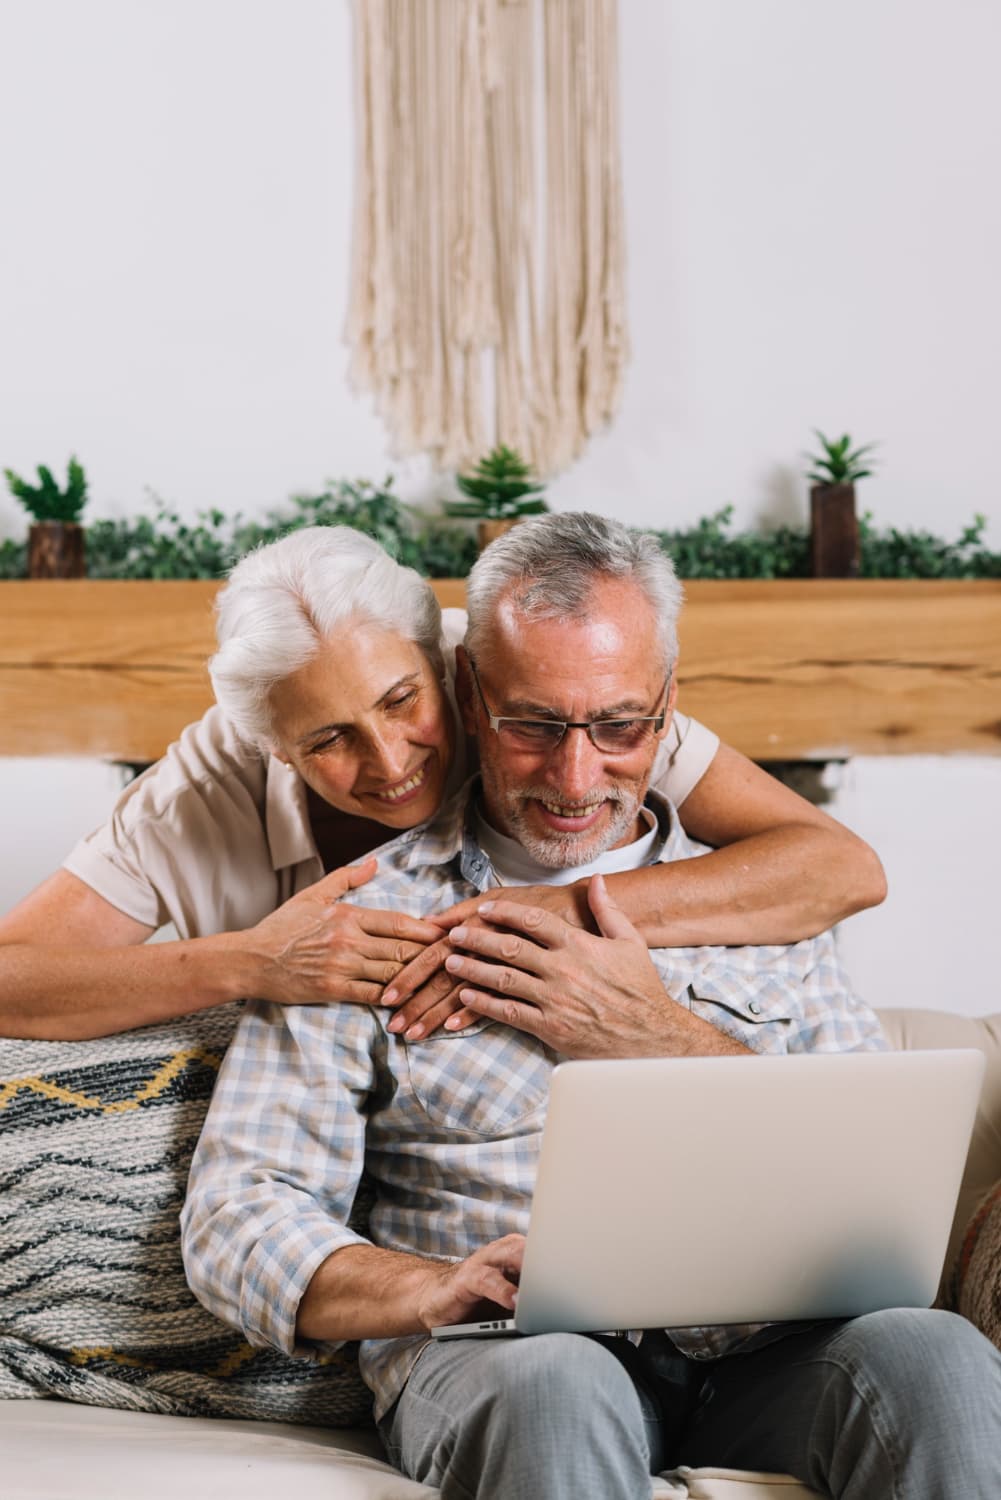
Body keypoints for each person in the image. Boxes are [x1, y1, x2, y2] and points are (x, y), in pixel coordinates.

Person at [181, 513, 1001, 1499]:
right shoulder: (369, 923)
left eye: (619, 726)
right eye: (532, 725)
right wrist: (425, 1288)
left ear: (668, 705)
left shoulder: (771, 899)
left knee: (935, 1357)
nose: (576, 779)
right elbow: (237, 1215)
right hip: (512, 1356)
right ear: (470, 696)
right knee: (558, 1384)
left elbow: (881, 1192)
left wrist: (660, 1039)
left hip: (774, 1358)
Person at [0, 523, 885, 1043]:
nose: (391, 763)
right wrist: (251, 963)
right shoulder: (204, 783)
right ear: (271, 744)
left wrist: (549, 913)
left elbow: (838, 869)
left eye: (401, 700)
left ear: (448, 667)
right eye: (331, 738)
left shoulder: (546, 696)